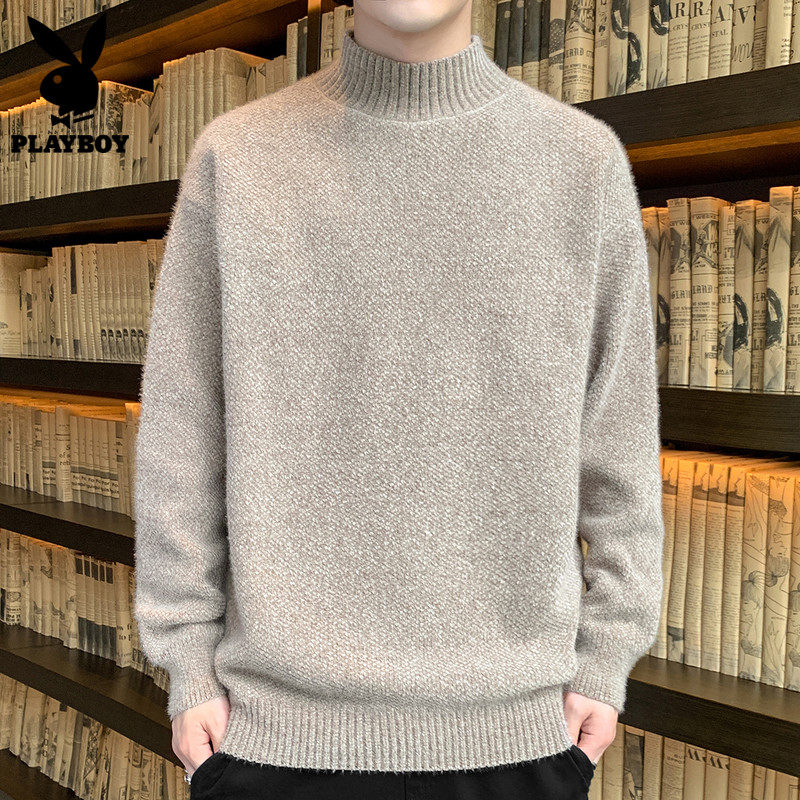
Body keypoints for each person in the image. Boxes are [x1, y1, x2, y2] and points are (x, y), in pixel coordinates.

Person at [132, 0, 665, 797]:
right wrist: (186, 659)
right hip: (269, 735)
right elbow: (184, 435)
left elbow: (618, 440)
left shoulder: (580, 165)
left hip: (520, 733)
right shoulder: (237, 161)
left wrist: (606, 657)